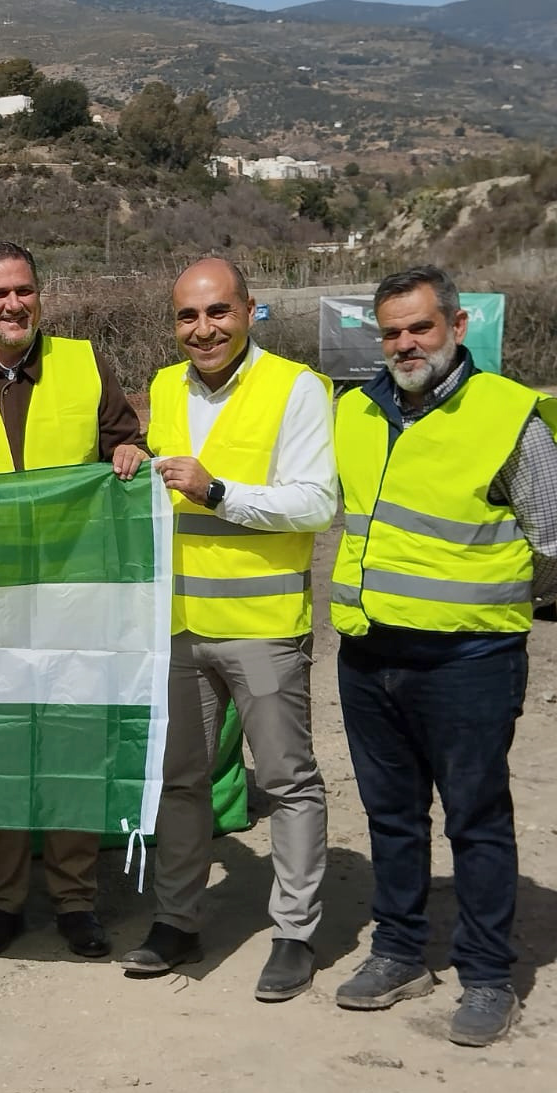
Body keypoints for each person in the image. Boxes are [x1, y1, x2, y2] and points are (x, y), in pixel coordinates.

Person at [330, 266, 557, 1046]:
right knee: (392, 817)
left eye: (420, 327)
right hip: (367, 653)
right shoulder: (354, 411)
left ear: (458, 326)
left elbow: (552, 539)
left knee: (477, 818)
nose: (405, 343)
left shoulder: (509, 417)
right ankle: (398, 950)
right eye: (391, 330)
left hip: (469, 661)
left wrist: (494, 611)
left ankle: (488, 974)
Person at [0, 241, 146, 960]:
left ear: (40, 295)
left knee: (71, 745)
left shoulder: (85, 362)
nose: (14, 304)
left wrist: (128, 456)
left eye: (25, 291)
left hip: (73, 595)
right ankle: (5, 900)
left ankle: (75, 900)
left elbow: (121, 445)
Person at [119, 258, 334, 1002]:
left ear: (249, 309)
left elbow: (314, 502)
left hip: (263, 624)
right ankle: (177, 920)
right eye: (187, 316)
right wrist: (132, 457)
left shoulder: (298, 388)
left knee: (287, 780)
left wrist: (217, 492)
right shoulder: (163, 387)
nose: (203, 329)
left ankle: (294, 933)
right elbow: (154, 482)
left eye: (217, 312)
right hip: (179, 626)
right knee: (181, 783)